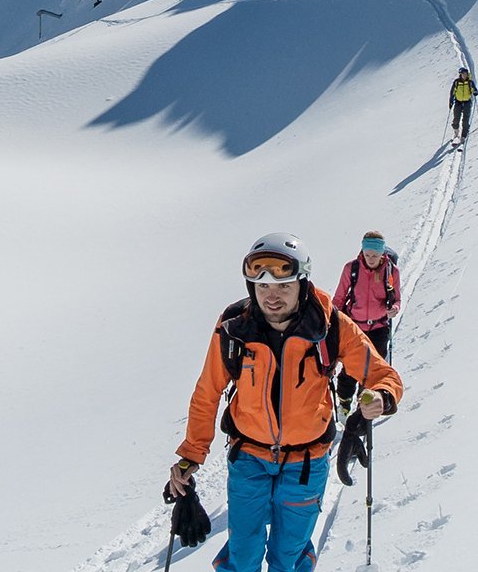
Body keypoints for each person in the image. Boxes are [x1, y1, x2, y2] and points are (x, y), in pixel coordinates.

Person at [167, 232, 405, 572]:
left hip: (306, 463)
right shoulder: (235, 327)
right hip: (248, 458)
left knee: (288, 557)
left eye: (283, 285)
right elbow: (207, 393)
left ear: (302, 283)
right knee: (243, 554)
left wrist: (380, 397)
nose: (272, 296)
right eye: (262, 287)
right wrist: (191, 455)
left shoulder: (329, 325)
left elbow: (385, 376)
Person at [331, 231, 401, 410]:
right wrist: (333, 320)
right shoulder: (351, 269)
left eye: (375, 255)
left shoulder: (391, 271)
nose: (370, 259)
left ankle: (365, 407)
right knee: (349, 370)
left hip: (379, 327)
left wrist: (394, 309)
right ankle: (344, 404)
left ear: (382, 254)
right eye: (367, 254)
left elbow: (396, 298)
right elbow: (339, 298)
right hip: (354, 327)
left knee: (373, 371)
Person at [449, 67, 478, 141]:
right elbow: (452, 92)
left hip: (467, 102)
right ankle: (456, 131)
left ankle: (464, 135)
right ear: (460, 74)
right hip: (458, 102)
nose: (464, 75)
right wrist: (451, 101)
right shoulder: (456, 82)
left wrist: (475, 92)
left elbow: (474, 89)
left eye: (465, 74)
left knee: (465, 119)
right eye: (463, 74)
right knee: (456, 118)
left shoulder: (470, 82)